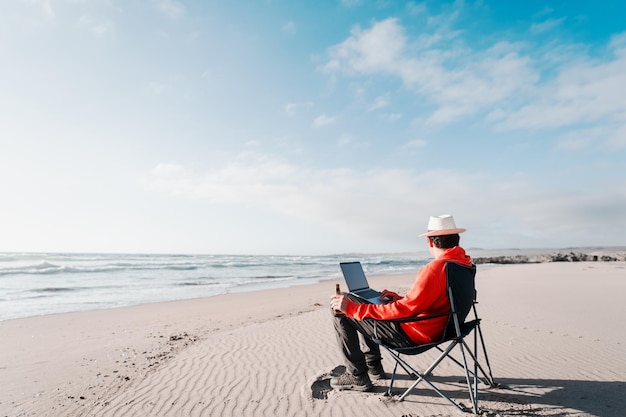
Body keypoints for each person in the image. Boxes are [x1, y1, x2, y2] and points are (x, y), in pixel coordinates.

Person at [329, 214, 472, 391]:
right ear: (456, 240)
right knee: (362, 305)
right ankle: (374, 367)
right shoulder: (463, 265)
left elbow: (405, 311)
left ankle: (357, 375)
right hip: (447, 328)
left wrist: (353, 309)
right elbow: (432, 302)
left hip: (414, 335)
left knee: (341, 304)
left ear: (430, 242)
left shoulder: (436, 268)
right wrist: (397, 299)